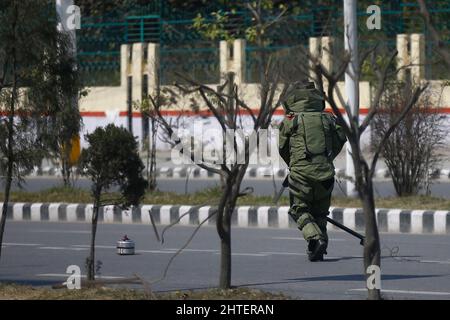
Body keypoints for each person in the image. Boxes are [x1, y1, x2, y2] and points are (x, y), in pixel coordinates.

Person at [278, 82, 347, 261]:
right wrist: (326, 160)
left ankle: (315, 239)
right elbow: (340, 140)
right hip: (326, 174)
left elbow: (283, 148)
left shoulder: (290, 120)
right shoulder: (328, 118)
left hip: (301, 174)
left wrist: (295, 165)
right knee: (320, 212)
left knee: (299, 210)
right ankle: (318, 249)